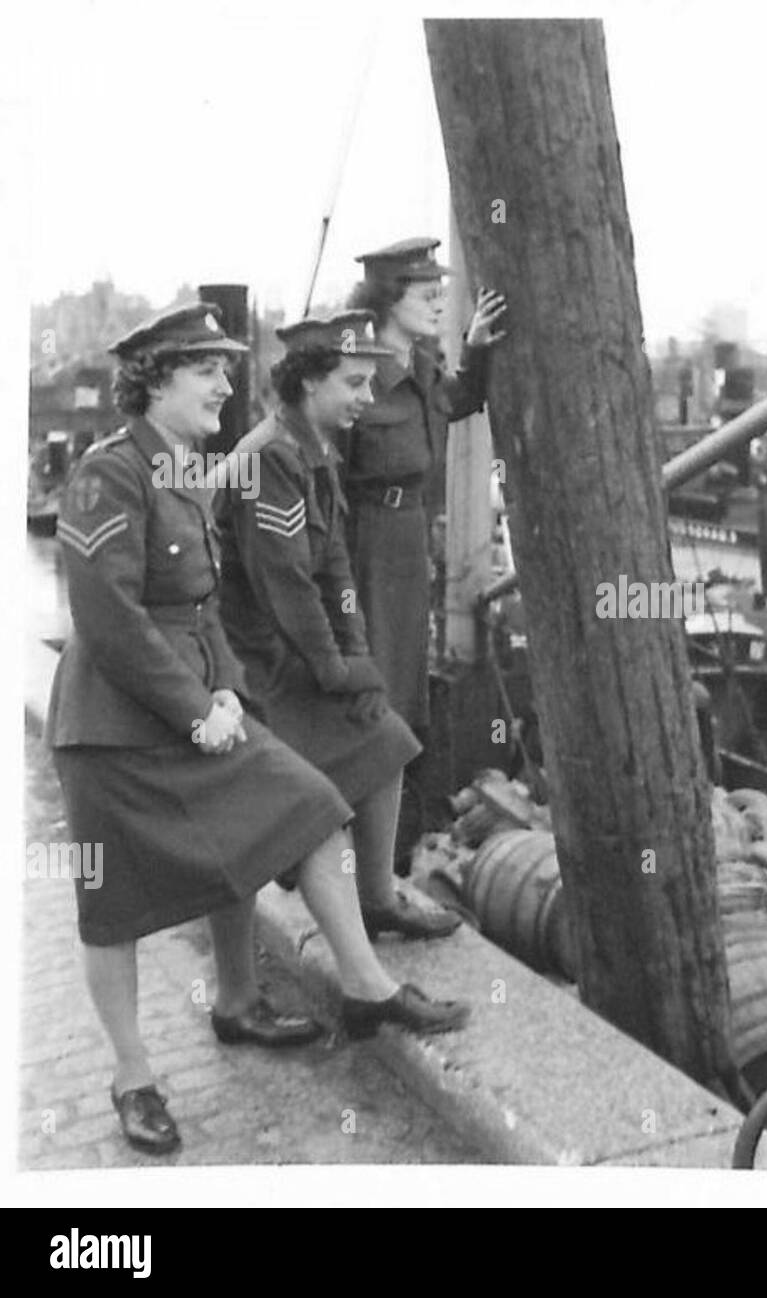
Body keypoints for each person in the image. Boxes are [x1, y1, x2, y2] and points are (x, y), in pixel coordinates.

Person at [46, 305, 471, 1157]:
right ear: (156, 379)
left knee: (312, 805)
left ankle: (364, 986)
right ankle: (134, 1079)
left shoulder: (189, 466)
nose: (225, 384)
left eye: (225, 368)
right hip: (111, 734)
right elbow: (108, 617)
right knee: (113, 911)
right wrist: (196, 708)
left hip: (201, 710)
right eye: (206, 369)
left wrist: (229, 692)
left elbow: (206, 608)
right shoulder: (110, 474)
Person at [216, 310, 455, 941]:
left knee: (390, 738)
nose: (367, 398)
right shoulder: (268, 459)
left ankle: (376, 896)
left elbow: (337, 575)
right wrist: (337, 670)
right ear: (308, 383)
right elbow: (288, 588)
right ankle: (314, 866)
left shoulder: (312, 451)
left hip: (292, 653)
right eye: (354, 383)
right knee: (364, 743)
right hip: (255, 667)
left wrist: (357, 652)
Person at [340, 238, 506, 855]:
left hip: (409, 543)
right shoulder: (355, 372)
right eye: (427, 294)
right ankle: (349, 848)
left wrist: (479, 345)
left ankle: (391, 851)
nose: (441, 302)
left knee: (404, 696)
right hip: (366, 544)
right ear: (387, 297)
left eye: (442, 292)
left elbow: (460, 399)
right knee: (369, 692)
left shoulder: (422, 364)